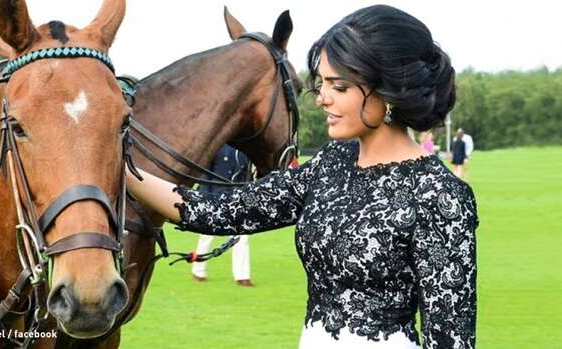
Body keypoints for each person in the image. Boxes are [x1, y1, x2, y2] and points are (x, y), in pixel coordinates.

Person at [127, 5, 478, 349]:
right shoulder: (331, 164)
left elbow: (451, 339)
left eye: (338, 87)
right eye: (322, 83)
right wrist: (119, 166)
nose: (321, 99)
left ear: (388, 91)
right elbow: (216, 212)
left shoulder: (440, 196)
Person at [191, 144, 254, 287]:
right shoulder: (218, 146)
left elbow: (247, 175)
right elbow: (205, 173)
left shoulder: (245, 150)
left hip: (237, 199)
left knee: (241, 237)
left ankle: (242, 276)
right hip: (215, 197)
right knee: (207, 235)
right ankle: (198, 270)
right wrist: (205, 197)